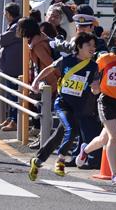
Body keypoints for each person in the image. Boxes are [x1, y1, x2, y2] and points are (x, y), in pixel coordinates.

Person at [28, 32, 99, 181]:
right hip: (63, 104)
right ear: (79, 46)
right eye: (89, 45)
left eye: (94, 45)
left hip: (79, 107)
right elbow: (50, 69)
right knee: (71, 130)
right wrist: (36, 81)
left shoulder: (94, 66)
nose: (92, 48)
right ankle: (60, 161)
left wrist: (96, 88)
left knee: (58, 136)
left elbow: (95, 87)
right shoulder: (67, 60)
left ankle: (38, 160)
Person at [77, 31, 116, 184]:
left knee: (104, 138)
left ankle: (85, 150)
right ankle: (115, 174)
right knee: (115, 136)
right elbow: (93, 71)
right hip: (107, 101)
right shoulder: (106, 58)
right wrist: (94, 84)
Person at [0, 3, 23, 132]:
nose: (4, 16)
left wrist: (0, 37)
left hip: (14, 67)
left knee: (13, 94)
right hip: (12, 65)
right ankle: (10, 118)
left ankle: (14, 120)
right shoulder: (14, 25)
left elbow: (2, 39)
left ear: (10, 14)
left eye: (5, 13)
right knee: (11, 94)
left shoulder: (16, 26)